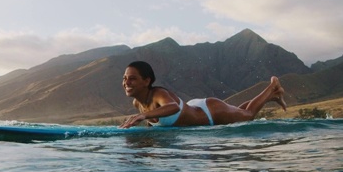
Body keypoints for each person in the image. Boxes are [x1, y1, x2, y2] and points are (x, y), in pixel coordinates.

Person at [120, 61, 287, 128]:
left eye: (132, 78)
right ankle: (271, 97)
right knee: (239, 111)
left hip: (210, 112)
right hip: (195, 107)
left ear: (147, 81)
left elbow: (173, 107)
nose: (126, 82)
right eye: (125, 78)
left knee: (248, 115)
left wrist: (142, 117)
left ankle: (273, 87)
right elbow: (155, 126)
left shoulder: (158, 94)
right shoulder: (138, 103)